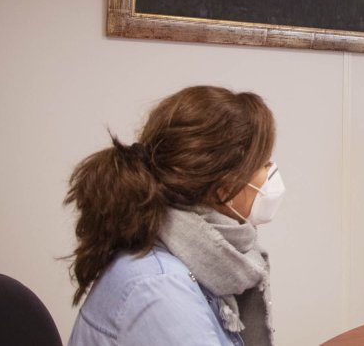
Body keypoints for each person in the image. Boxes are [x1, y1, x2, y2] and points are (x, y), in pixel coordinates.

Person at [64, 86, 284, 346]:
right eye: (262, 164)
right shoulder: (160, 288)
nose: (271, 172)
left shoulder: (173, 251)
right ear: (224, 188)